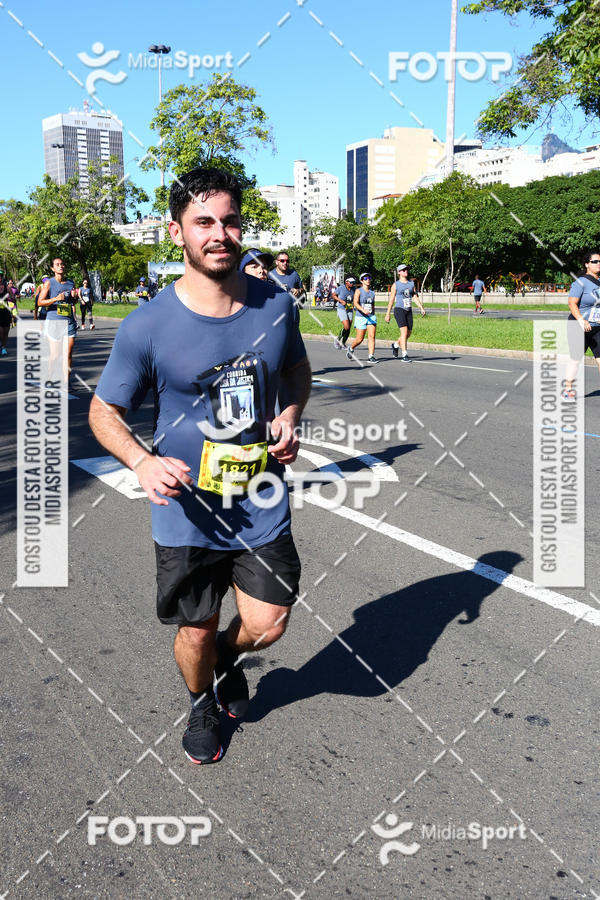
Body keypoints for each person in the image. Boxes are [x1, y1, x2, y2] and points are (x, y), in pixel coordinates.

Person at [89, 167, 312, 766]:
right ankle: (200, 699)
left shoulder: (276, 304)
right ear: (177, 232)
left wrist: (289, 415)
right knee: (195, 631)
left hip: (259, 497)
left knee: (269, 623)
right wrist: (140, 461)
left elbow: (295, 369)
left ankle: (227, 660)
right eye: (204, 222)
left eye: (230, 220)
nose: (220, 233)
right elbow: (103, 411)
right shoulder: (148, 325)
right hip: (186, 512)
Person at [562, 250, 600, 401]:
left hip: (597, 327)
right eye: (595, 261)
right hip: (578, 326)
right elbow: (572, 303)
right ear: (587, 264)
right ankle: (568, 389)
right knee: (576, 360)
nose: (598, 264)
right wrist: (581, 320)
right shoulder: (581, 282)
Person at [37, 258, 79, 382]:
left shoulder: (70, 283)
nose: (61, 266)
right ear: (52, 268)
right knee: (55, 356)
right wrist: (56, 299)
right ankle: (48, 378)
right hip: (54, 321)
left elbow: (72, 302)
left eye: (62, 264)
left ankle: (66, 383)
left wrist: (74, 297)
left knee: (68, 354)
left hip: (69, 321)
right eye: (57, 265)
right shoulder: (49, 283)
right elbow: (40, 302)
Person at [385, 264, 426, 362]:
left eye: (407, 269)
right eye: (403, 270)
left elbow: (414, 296)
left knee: (408, 333)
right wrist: (387, 313)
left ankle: (395, 345)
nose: (406, 271)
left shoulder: (411, 283)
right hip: (399, 310)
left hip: (408, 310)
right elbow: (391, 299)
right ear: (399, 272)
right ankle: (404, 354)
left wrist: (421, 308)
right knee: (403, 332)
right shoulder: (396, 285)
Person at [347, 273, 377, 363]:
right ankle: (351, 348)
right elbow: (355, 303)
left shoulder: (372, 293)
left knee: (372, 337)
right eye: (365, 278)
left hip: (371, 317)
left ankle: (371, 356)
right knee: (360, 339)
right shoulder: (358, 291)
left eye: (369, 278)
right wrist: (363, 310)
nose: (368, 279)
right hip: (361, 317)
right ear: (361, 281)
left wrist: (374, 314)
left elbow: (373, 305)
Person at [332, 276, 356, 348]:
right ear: (346, 282)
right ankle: (337, 340)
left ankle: (343, 343)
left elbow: (356, 297)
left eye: (353, 282)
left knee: (349, 327)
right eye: (351, 282)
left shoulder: (354, 289)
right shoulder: (341, 288)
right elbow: (333, 295)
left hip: (349, 309)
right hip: (341, 308)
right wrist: (341, 301)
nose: (352, 284)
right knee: (346, 326)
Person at [0, 281, 11, 355]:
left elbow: (13, 298)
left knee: (6, 331)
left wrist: (11, 298)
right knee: (0, 331)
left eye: (1, 276)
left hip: (6, 312)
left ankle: (3, 347)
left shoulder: (7, 288)